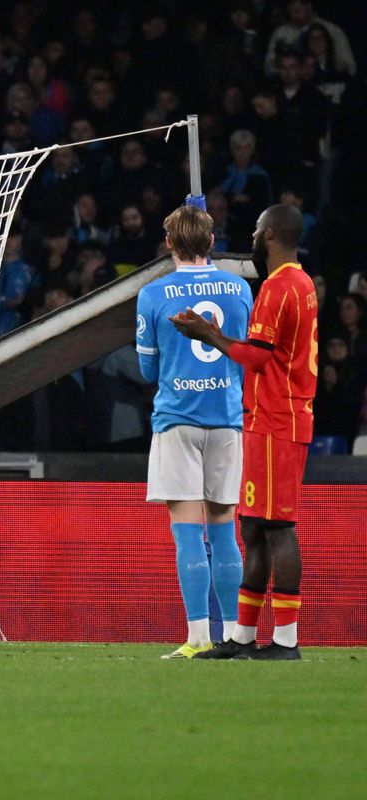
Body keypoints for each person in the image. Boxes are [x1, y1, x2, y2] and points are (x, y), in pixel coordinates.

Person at [173, 203, 317, 660]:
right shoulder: (301, 284)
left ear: (271, 234)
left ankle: (287, 641)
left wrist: (205, 333)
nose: (253, 237)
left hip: (279, 419)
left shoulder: (280, 288)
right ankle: (241, 638)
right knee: (254, 526)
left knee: (278, 528)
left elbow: (257, 357)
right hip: (268, 417)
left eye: (257, 230)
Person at [136, 203, 252, 659]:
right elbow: (244, 350)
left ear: (169, 244)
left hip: (178, 420)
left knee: (188, 533)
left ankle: (198, 636)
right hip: (226, 418)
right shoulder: (240, 288)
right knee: (225, 530)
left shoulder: (153, 293)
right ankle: (235, 636)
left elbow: (147, 369)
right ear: (211, 241)